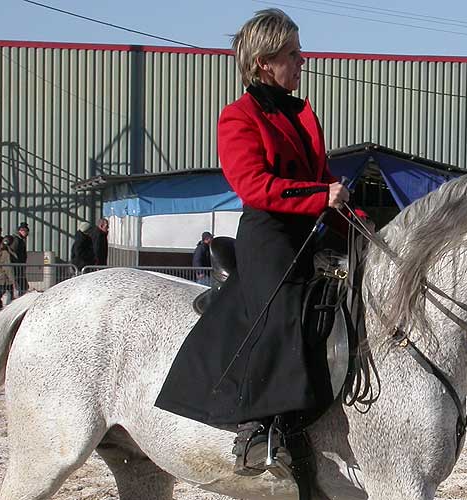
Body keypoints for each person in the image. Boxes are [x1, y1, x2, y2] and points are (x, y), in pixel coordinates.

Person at [155, 8, 352, 479]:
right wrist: (320, 196)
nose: (302, 60)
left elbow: (323, 180)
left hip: (311, 229)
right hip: (269, 234)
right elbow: (253, 185)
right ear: (265, 61)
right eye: (293, 54)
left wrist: (369, 227)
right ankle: (258, 429)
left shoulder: (302, 114)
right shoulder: (238, 117)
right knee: (284, 310)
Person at [9, 222, 30, 296]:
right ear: (20, 231)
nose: (26, 233)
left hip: (19, 265)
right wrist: (17, 261)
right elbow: (12, 251)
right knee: (22, 284)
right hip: (17, 265)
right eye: (25, 231)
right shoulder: (17, 240)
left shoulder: (20, 240)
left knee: (22, 284)